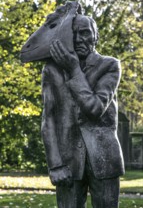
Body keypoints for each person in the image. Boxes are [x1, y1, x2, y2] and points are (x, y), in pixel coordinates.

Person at [41, 13, 125, 208]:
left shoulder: (110, 66)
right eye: (74, 33)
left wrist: (73, 70)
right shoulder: (51, 70)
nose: (79, 38)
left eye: (86, 33)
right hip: (68, 163)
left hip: (104, 160)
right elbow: (49, 120)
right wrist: (55, 165)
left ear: (95, 36)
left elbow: (94, 108)